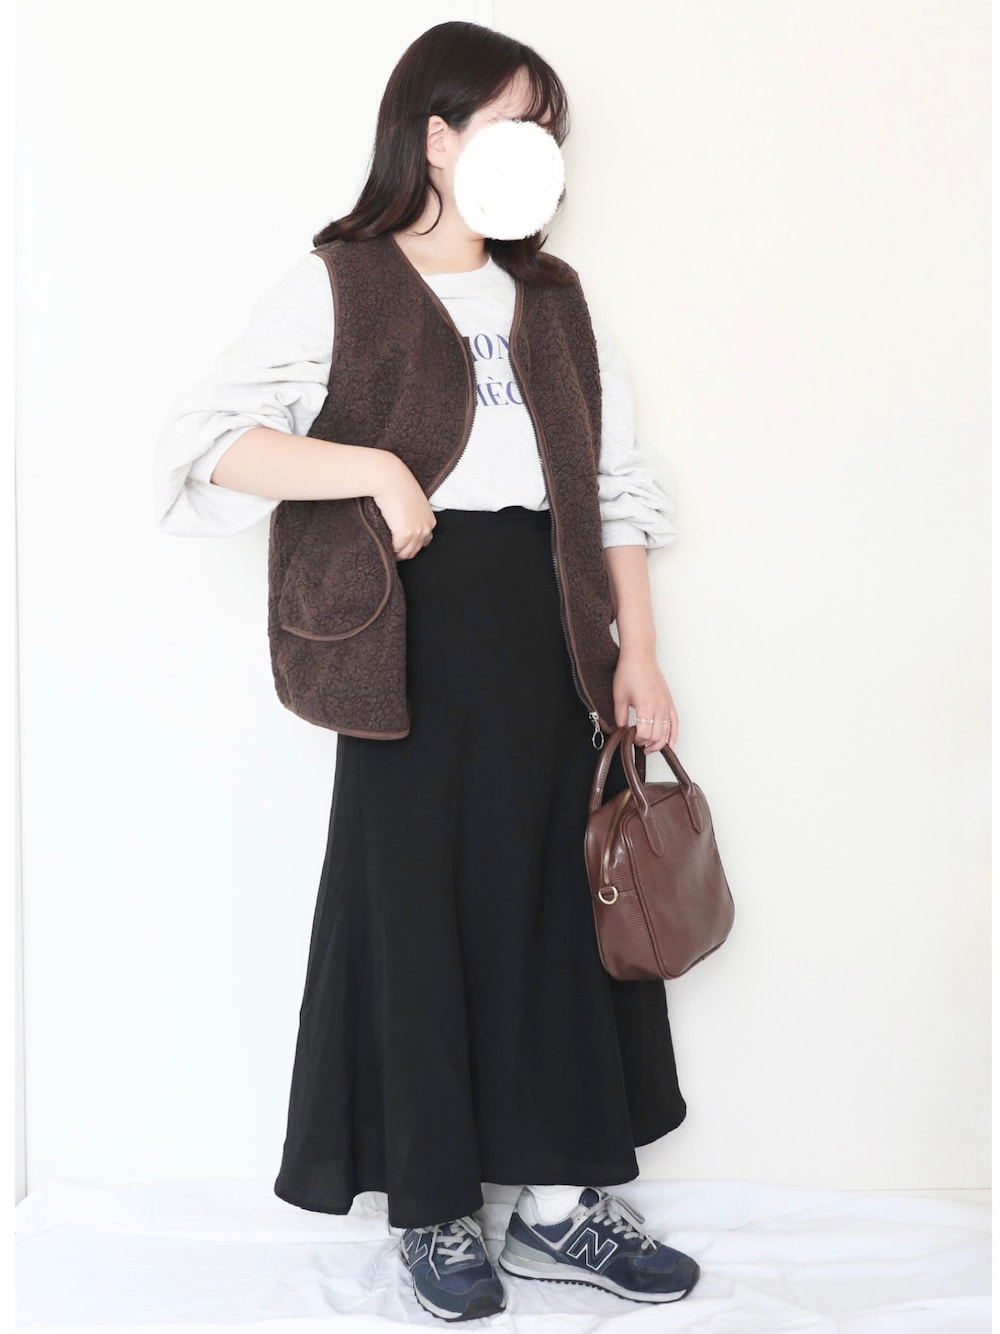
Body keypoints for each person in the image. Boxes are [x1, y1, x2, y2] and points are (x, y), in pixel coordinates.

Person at [153, 19, 700, 1323]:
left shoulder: (553, 298)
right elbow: (205, 445)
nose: (541, 152)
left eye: (550, 132)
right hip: (407, 634)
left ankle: (559, 1208)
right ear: (439, 137)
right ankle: (435, 1210)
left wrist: (639, 651)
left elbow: (615, 486)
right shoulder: (341, 281)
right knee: (413, 912)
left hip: (552, 632)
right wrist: (376, 468)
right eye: (516, 124)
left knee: (558, 905)